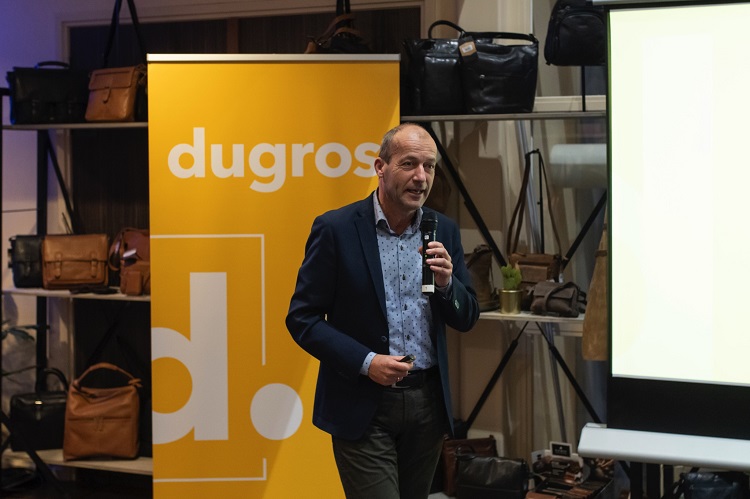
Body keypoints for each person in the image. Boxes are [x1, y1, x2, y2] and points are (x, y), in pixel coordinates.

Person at [286, 123, 480, 498]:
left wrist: (446, 285)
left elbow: (467, 315)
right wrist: (366, 361)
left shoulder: (443, 230)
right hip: (362, 404)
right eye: (409, 164)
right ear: (380, 167)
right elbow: (302, 318)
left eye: (429, 166)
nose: (421, 177)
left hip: (426, 405)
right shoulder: (337, 229)